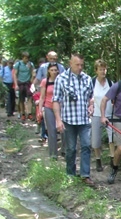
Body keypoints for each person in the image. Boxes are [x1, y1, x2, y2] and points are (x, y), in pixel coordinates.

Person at [52, 53, 95, 186]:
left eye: (82, 65)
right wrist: (58, 120)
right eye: (77, 64)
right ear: (70, 64)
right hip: (68, 120)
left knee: (86, 145)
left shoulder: (87, 79)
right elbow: (56, 100)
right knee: (70, 148)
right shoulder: (61, 78)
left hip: (84, 120)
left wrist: (91, 106)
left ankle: (85, 175)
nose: (80, 67)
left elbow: (91, 97)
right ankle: (70, 174)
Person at [91, 59, 114, 172]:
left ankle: (112, 158)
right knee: (96, 140)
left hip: (109, 114)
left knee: (112, 138)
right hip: (96, 114)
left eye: (104, 69)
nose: (103, 71)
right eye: (100, 69)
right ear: (96, 70)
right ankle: (98, 159)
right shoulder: (92, 83)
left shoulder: (110, 83)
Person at [37, 63, 60, 159]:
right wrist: (40, 110)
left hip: (60, 108)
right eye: (52, 70)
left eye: (55, 70)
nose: (54, 72)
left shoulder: (61, 81)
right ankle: (53, 154)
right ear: (48, 71)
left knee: (63, 130)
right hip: (48, 107)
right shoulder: (44, 82)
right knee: (52, 131)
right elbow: (42, 97)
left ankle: (64, 151)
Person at [12, 52, 35, 121]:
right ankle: (23, 114)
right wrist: (16, 84)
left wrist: (32, 81)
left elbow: (32, 73)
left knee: (30, 98)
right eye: (25, 58)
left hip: (28, 83)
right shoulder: (18, 64)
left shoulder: (30, 64)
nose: (26, 60)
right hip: (20, 83)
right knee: (21, 100)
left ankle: (29, 113)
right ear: (22, 58)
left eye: (27, 58)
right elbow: (15, 74)